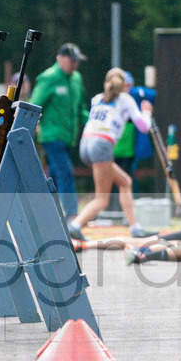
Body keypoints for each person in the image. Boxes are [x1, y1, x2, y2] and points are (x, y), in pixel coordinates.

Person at [67, 67, 154, 240]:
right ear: (125, 86)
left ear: (106, 83)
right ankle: (74, 226)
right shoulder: (126, 99)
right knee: (102, 199)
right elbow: (144, 127)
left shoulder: (97, 98)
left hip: (85, 145)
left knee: (125, 181)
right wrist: (146, 112)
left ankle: (135, 227)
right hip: (101, 145)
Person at [29, 42, 89, 219]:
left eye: (77, 61)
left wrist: (92, 125)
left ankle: (47, 213)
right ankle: (72, 216)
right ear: (60, 58)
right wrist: (31, 129)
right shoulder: (48, 78)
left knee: (54, 177)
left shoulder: (76, 79)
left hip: (69, 137)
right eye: (72, 61)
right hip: (51, 136)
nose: (75, 65)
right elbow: (33, 105)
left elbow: (81, 108)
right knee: (65, 172)